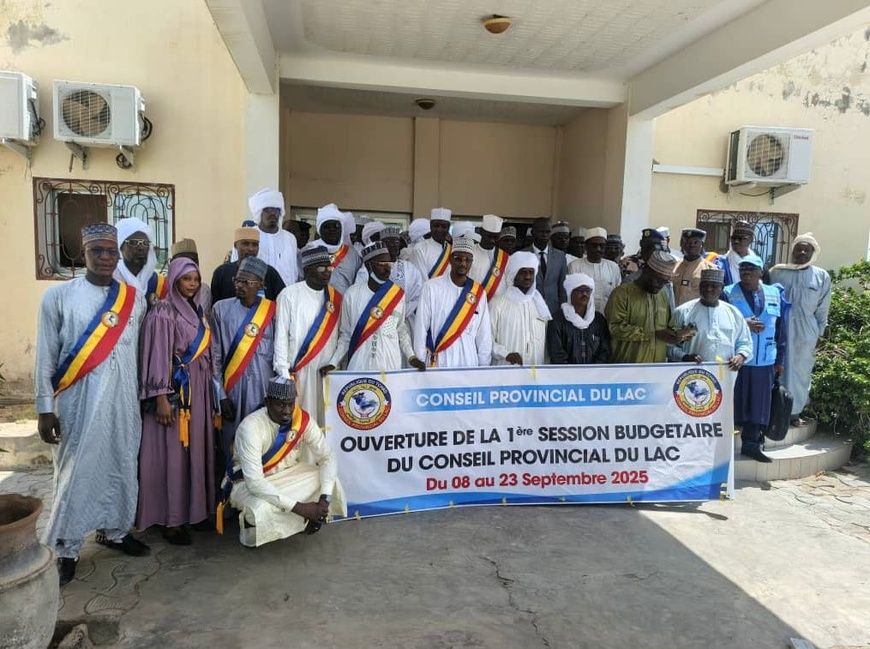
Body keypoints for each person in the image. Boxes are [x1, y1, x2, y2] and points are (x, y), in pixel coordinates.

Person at [35, 224, 149, 586]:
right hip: (76, 403)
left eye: (111, 251)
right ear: (81, 254)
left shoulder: (134, 298)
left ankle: (115, 531)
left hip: (123, 401)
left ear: (118, 255)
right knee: (75, 473)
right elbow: (45, 356)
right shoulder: (59, 297)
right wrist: (43, 407)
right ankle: (66, 548)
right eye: (96, 251)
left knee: (120, 462)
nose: (105, 258)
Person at [136, 257, 215, 545]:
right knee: (171, 457)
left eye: (196, 279)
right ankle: (170, 520)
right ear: (175, 280)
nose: (192, 284)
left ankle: (192, 513)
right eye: (186, 279)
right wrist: (160, 399)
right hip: (174, 395)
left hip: (199, 393)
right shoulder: (163, 312)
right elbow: (156, 354)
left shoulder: (197, 310)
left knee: (192, 454)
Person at [222, 377, 346, 548]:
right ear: (267, 402)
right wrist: (302, 509)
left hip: (288, 474)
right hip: (247, 482)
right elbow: (255, 483)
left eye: (290, 404)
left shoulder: (301, 420)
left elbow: (327, 457)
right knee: (259, 508)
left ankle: (314, 515)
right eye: (280, 405)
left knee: (329, 481)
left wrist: (324, 501)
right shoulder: (250, 427)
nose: (287, 411)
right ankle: (255, 533)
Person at [322, 242, 425, 373]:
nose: (388, 269)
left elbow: (401, 330)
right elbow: (346, 335)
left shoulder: (398, 294)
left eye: (390, 264)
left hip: (390, 364)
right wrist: (333, 362)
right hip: (359, 364)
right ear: (368, 265)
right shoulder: (352, 294)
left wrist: (411, 357)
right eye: (382, 265)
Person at [723, 254, 787, 463]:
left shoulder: (774, 293)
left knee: (758, 405)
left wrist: (780, 360)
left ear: (761, 272)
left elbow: (781, 330)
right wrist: (743, 323)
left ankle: (751, 445)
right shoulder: (727, 293)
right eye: (743, 270)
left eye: (751, 269)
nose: (746, 273)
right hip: (736, 359)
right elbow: (720, 322)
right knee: (734, 403)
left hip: (765, 360)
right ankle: (723, 448)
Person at [211, 256, 276, 455]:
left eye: (246, 282)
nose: (239, 286)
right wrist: (220, 395)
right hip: (232, 391)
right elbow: (215, 356)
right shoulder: (220, 309)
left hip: (262, 390)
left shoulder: (272, 311)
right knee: (231, 445)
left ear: (261, 284)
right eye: (237, 280)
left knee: (262, 443)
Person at [769, 233, 831, 426]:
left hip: (806, 332)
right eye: (799, 248)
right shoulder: (777, 272)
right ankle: (774, 410)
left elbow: (823, 308)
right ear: (792, 250)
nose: (802, 252)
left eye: (807, 249)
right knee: (777, 368)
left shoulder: (821, 276)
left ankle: (794, 413)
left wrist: (820, 334)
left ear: (813, 253)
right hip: (779, 329)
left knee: (801, 371)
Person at [274, 246, 341, 423]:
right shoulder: (289, 294)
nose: (327, 272)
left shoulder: (336, 298)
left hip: (327, 373)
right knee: (300, 423)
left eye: (329, 268)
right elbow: (280, 336)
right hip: (298, 374)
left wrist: (334, 363)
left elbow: (344, 336)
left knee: (327, 422)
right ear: (307, 270)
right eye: (321, 268)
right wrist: (284, 375)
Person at [414, 235, 492, 368]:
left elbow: (484, 334)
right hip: (440, 360)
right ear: (450, 259)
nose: (463, 263)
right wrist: (420, 360)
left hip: (469, 361)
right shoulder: (431, 287)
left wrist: (483, 367)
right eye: (458, 259)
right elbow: (421, 327)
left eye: (468, 260)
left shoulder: (478, 292)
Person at [606, 251, 694, 363]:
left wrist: (679, 335)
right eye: (658, 279)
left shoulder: (662, 295)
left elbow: (669, 326)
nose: (660, 285)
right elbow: (614, 328)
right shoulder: (622, 294)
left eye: (665, 282)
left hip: (656, 369)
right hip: (627, 367)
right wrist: (652, 333)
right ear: (646, 270)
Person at [668, 268, 753, 369]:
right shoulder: (682, 312)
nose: (709, 289)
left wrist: (741, 356)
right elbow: (668, 345)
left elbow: (745, 342)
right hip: (689, 375)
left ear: (721, 288)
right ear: (700, 287)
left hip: (724, 375)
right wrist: (684, 357)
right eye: (705, 285)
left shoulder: (734, 313)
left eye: (714, 286)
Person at [489, 251, 552, 366]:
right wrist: (506, 354)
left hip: (535, 372)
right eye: (523, 272)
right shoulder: (498, 303)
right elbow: (487, 340)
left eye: (531, 272)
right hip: (505, 370)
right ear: (514, 275)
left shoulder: (539, 304)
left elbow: (546, 344)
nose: (528, 276)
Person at [547, 273, 611, 364]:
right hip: (566, 375)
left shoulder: (598, 320)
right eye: (580, 290)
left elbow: (605, 351)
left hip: (595, 375)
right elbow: (557, 354)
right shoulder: (558, 320)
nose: (585, 294)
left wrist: (594, 371)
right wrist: (573, 374)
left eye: (587, 290)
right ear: (570, 293)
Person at [211, 227, 285, 303]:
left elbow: (282, 299)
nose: (251, 249)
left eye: (255, 245)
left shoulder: (269, 272)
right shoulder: (221, 272)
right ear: (235, 245)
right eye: (246, 244)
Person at [245, 188, 298, 286]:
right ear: (260, 212)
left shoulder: (290, 238)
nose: (273, 213)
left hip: (285, 295)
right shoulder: (249, 234)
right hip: (257, 295)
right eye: (268, 210)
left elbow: (294, 272)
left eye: (276, 210)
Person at [307, 203, 363, 294]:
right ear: (320, 230)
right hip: (313, 304)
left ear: (342, 228)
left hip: (343, 304)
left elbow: (357, 284)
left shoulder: (352, 254)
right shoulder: (309, 250)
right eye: (327, 226)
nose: (332, 229)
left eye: (336, 226)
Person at [568, 227, 622, 313]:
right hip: (581, 317)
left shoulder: (613, 267)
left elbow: (617, 295)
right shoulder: (575, 266)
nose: (598, 249)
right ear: (586, 246)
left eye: (602, 246)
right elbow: (570, 295)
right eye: (594, 245)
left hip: (606, 317)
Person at [521, 218, 567, 317]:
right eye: (541, 232)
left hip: (554, 310)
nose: (545, 235)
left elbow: (563, 286)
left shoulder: (560, 256)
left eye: (547, 232)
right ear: (533, 233)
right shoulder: (522, 255)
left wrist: (563, 309)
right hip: (530, 309)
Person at [114, 217, 161, 305]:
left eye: (145, 243)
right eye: (133, 243)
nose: (141, 248)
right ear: (121, 247)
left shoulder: (156, 281)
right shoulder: (112, 279)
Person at [672, 228, 717, 306]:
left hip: (697, 315)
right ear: (682, 245)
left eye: (696, 242)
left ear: (702, 245)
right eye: (688, 242)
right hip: (675, 315)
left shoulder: (709, 269)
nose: (692, 245)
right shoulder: (673, 266)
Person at [470, 214, 509, 301]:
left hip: (497, 305)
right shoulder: (470, 252)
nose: (492, 240)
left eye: (495, 237)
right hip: (474, 302)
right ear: (481, 232)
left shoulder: (505, 257)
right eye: (489, 236)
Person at [408, 207, 453, 280]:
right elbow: (421, 279)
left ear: (448, 228)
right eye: (436, 226)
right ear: (430, 226)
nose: (439, 229)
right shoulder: (420, 248)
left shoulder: (453, 250)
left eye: (443, 226)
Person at [170, 238, 212, 313]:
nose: (190, 265)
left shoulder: (204, 290)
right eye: (183, 262)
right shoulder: (161, 287)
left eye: (194, 261)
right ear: (172, 263)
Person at [715, 220, 757, 285]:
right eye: (734, 238)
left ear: (750, 240)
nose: (736, 241)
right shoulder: (720, 264)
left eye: (741, 238)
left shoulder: (758, 265)